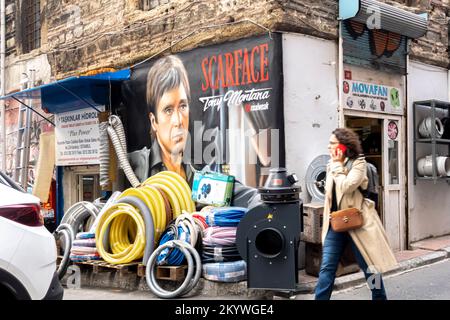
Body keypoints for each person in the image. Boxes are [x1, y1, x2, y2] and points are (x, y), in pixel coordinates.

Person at [128, 55, 260, 209]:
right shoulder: (135, 165)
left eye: (182, 106)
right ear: (153, 121)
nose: (178, 120)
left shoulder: (198, 179)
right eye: (168, 110)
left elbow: (244, 196)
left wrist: (265, 201)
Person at [314, 128, 391, 300]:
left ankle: (379, 297)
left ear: (343, 145)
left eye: (332, 143)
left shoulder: (359, 163)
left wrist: (337, 167)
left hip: (358, 224)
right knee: (327, 268)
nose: (328, 147)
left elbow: (347, 186)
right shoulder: (330, 165)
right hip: (336, 224)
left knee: (370, 269)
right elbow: (329, 197)